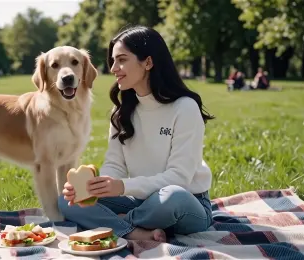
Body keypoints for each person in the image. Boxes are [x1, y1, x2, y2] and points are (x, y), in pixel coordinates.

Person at [58, 25, 215, 242]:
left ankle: (122, 222)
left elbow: (180, 178)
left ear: (148, 62)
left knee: (173, 196)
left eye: (121, 60)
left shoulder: (184, 107)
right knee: (67, 200)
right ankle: (134, 231)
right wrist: (94, 187)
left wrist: (122, 187)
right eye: (113, 61)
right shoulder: (122, 112)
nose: (113, 68)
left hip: (187, 203)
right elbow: (115, 165)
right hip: (141, 200)